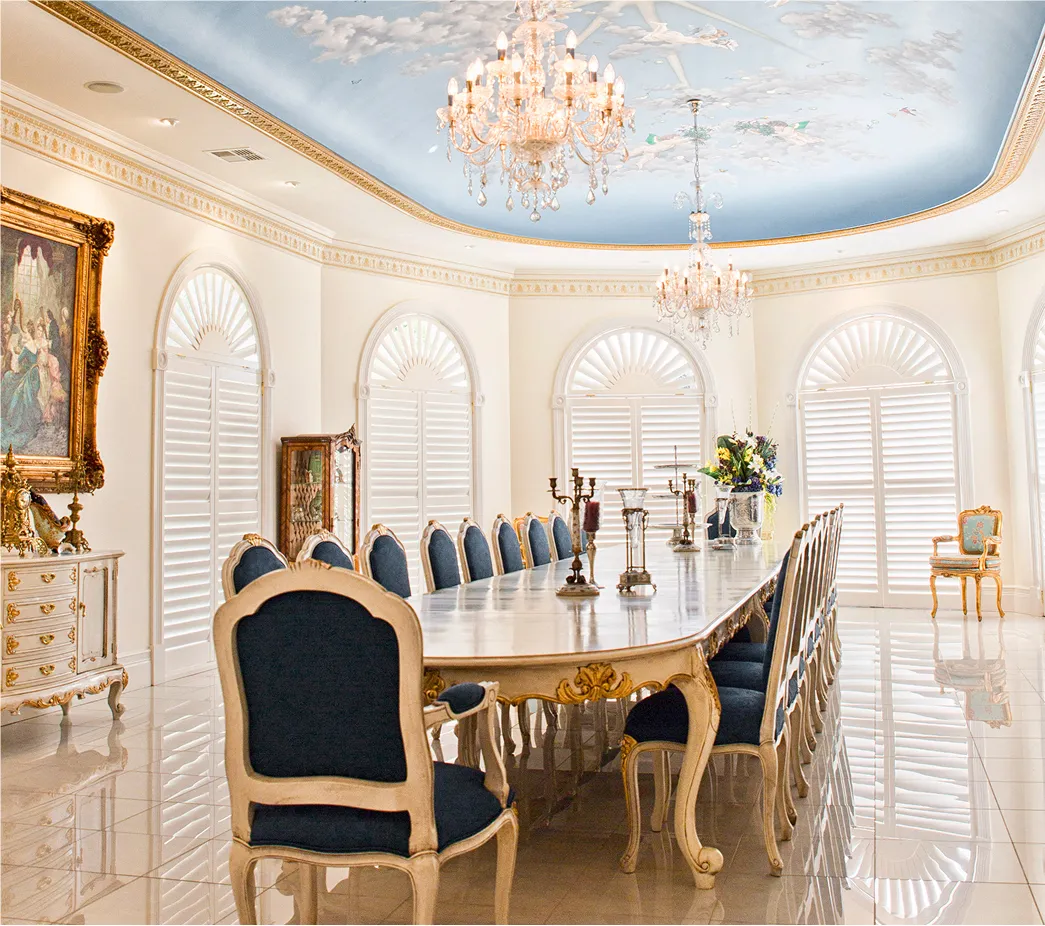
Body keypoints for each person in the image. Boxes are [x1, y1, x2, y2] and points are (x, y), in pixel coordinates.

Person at [1, 318, 43, 450]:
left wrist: (14, 351)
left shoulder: (26, 347)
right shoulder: (36, 345)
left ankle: (12, 418)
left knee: (11, 381)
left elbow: (18, 362)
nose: (23, 337)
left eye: (24, 335)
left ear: (27, 334)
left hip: (28, 375)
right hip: (35, 374)